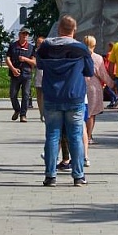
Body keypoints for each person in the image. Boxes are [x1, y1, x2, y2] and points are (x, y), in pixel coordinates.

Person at [36, 16, 93, 186]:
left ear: (59, 29)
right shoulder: (81, 48)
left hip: (52, 95)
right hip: (74, 96)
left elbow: (39, 65)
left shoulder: (46, 47)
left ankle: (50, 176)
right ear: (74, 30)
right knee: (75, 136)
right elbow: (89, 71)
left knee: (52, 136)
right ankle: (78, 176)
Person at [82, 34, 114, 160]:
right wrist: (112, 85)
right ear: (93, 45)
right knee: (91, 113)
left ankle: (82, 135)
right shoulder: (97, 58)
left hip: (80, 85)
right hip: (93, 86)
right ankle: (89, 136)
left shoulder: (78, 56)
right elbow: (103, 74)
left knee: (82, 112)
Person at [6, 28, 35, 122]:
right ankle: (17, 109)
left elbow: (34, 62)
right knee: (13, 94)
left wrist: (25, 59)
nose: (25, 35)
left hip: (26, 74)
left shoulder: (31, 47)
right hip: (15, 74)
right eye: (23, 33)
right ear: (19, 34)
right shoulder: (13, 46)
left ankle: (23, 114)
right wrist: (13, 69)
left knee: (26, 95)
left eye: (27, 34)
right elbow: (7, 58)